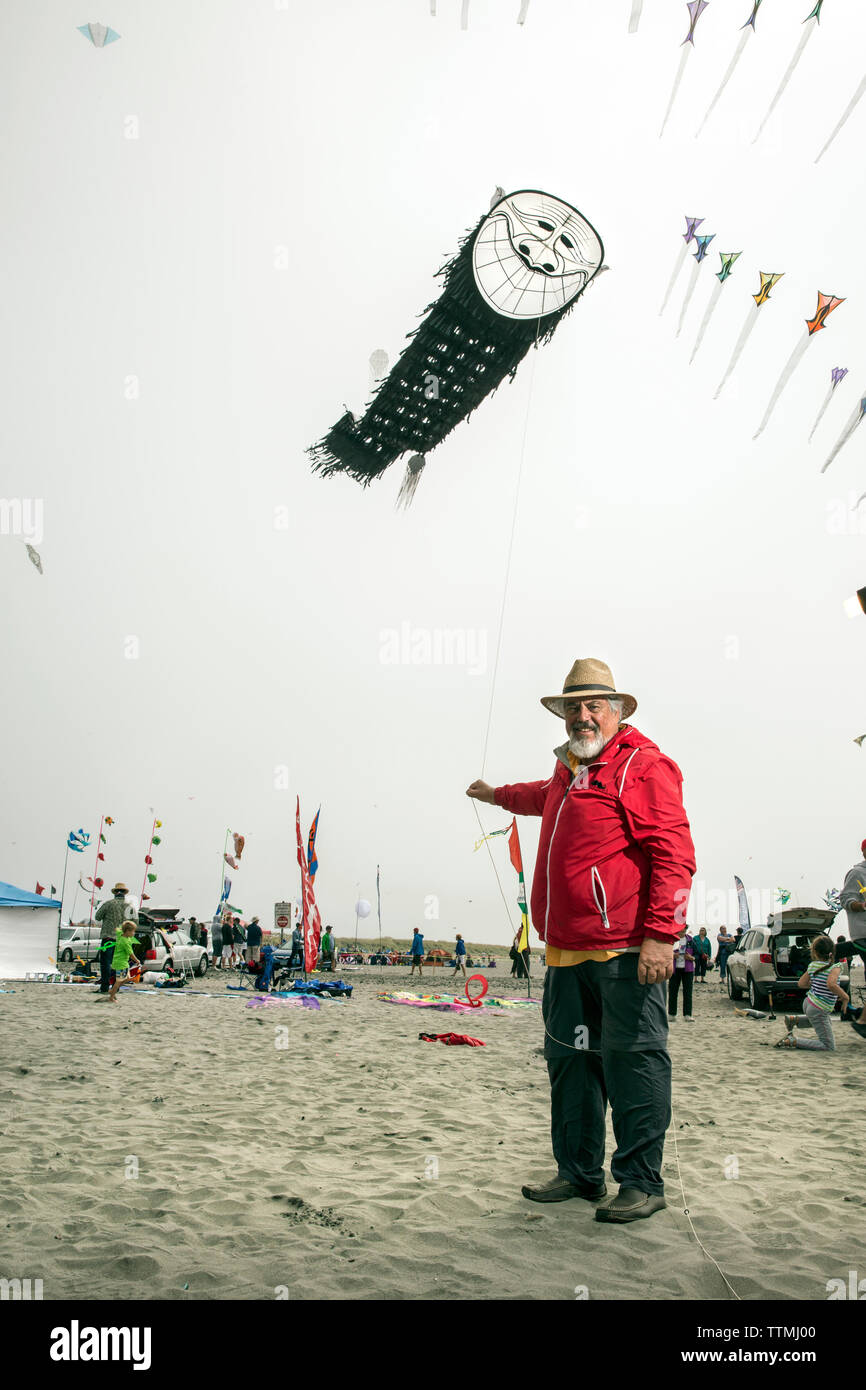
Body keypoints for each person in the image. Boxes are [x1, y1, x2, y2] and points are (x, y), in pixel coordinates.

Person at [467, 658, 695, 1225]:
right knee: (571, 1064)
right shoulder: (567, 771)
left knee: (633, 1063)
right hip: (565, 955)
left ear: (617, 712)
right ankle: (579, 1173)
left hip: (625, 952)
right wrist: (495, 795)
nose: (582, 716)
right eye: (573, 707)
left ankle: (641, 1183)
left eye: (594, 705)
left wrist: (662, 936)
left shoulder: (643, 765)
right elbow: (536, 796)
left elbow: (675, 855)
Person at [775, 935, 850, 1050]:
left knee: (824, 1021)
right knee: (828, 1046)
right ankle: (792, 1041)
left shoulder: (812, 965)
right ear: (833, 950)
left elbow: (801, 983)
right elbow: (831, 984)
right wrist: (845, 996)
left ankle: (794, 1020)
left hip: (808, 1003)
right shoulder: (836, 967)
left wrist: (817, 983)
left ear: (814, 952)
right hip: (818, 1008)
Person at [840, 840, 866, 1038]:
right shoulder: (857, 873)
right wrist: (861, 905)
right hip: (863, 933)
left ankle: (862, 1017)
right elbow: (845, 899)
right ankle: (862, 1021)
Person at [94, 882, 137, 994]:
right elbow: (136, 922)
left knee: (106, 963)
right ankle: (116, 987)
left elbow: (97, 917)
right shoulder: (130, 906)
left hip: (108, 938)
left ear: (115, 893)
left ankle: (104, 987)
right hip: (123, 939)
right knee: (120, 963)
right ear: (124, 893)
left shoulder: (108, 904)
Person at [107, 921, 141, 1003]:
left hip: (120, 962)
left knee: (127, 978)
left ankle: (112, 991)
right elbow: (130, 954)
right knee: (119, 981)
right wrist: (137, 960)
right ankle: (111, 996)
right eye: (133, 931)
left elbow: (118, 930)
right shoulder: (125, 941)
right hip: (121, 963)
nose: (134, 933)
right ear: (127, 931)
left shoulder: (121, 935)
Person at [668, 931, 696, 1021]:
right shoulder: (672, 939)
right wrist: (672, 955)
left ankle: (687, 1014)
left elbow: (697, 954)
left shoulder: (691, 940)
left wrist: (691, 958)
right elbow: (665, 952)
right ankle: (672, 1014)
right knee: (673, 992)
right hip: (674, 969)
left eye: (684, 929)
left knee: (688, 992)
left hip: (688, 969)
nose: (682, 931)